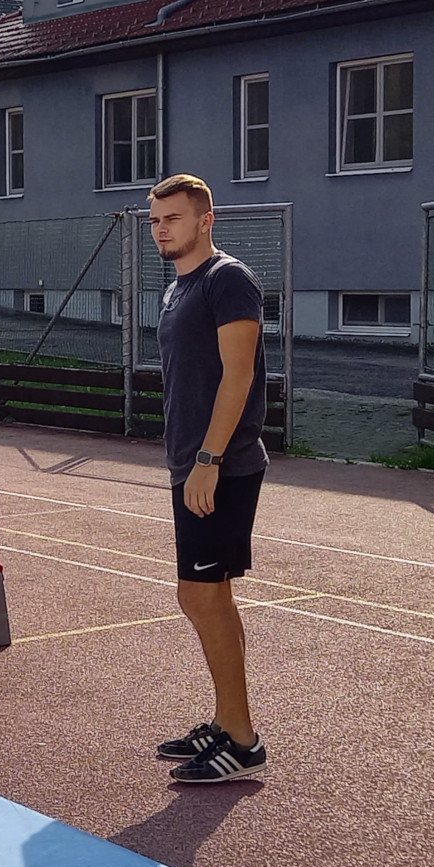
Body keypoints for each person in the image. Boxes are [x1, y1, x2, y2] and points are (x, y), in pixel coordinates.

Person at [144, 174, 270, 784]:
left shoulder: (228, 279)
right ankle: (226, 721)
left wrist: (209, 460)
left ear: (205, 220)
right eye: (155, 220)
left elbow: (238, 375)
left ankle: (242, 742)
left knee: (198, 595)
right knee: (212, 594)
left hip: (221, 466)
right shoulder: (178, 288)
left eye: (173, 218)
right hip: (193, 463)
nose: (161, 229)